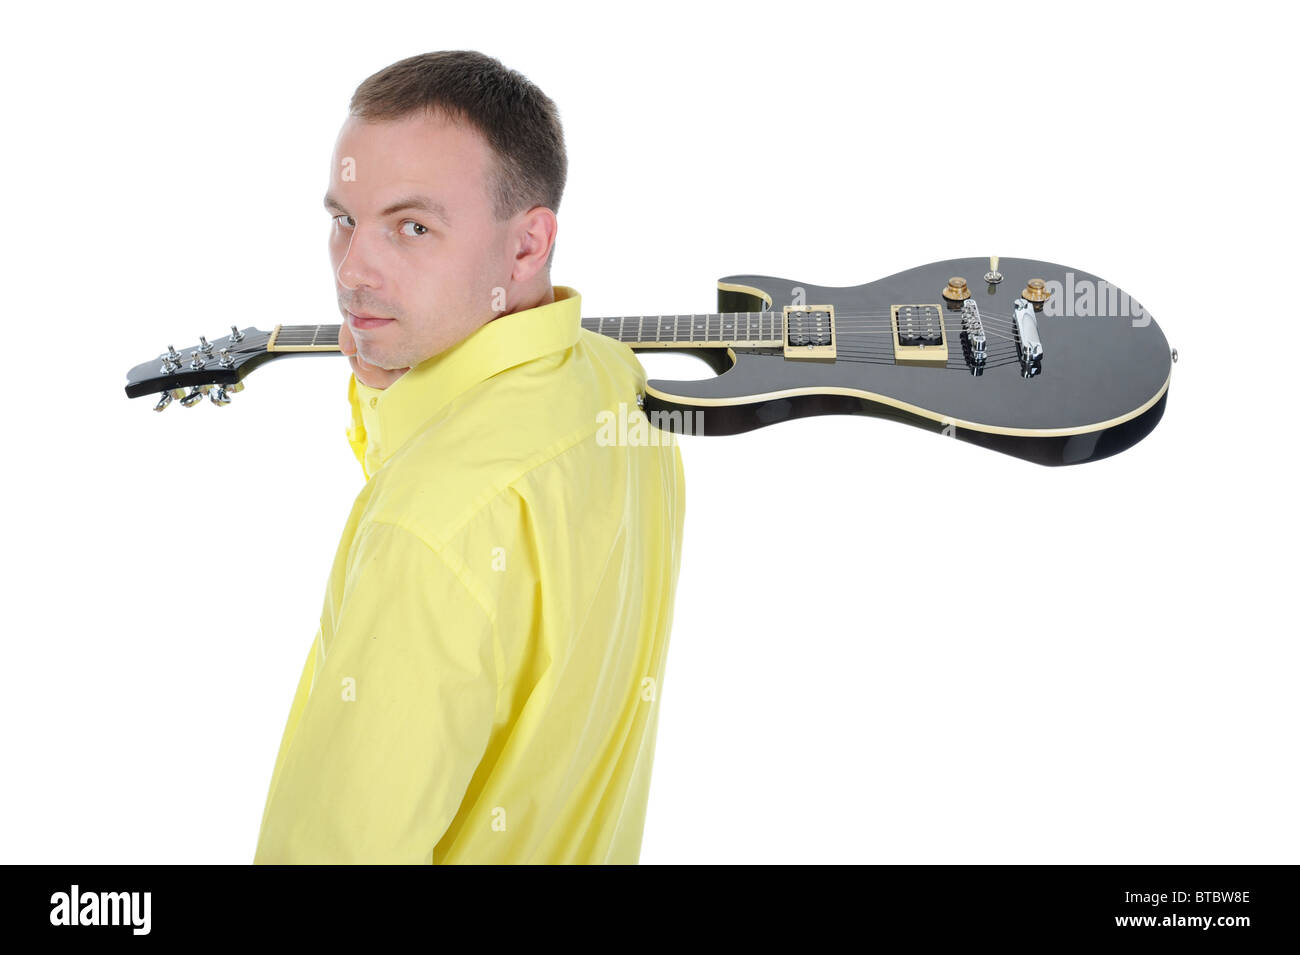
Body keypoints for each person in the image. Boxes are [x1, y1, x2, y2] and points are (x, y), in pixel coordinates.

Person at [252, 50, 686, 864]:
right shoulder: (617, 385)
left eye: (413, 226)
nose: (352, 271)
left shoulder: (429, 528)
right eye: (345, 218)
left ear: (527, 248)